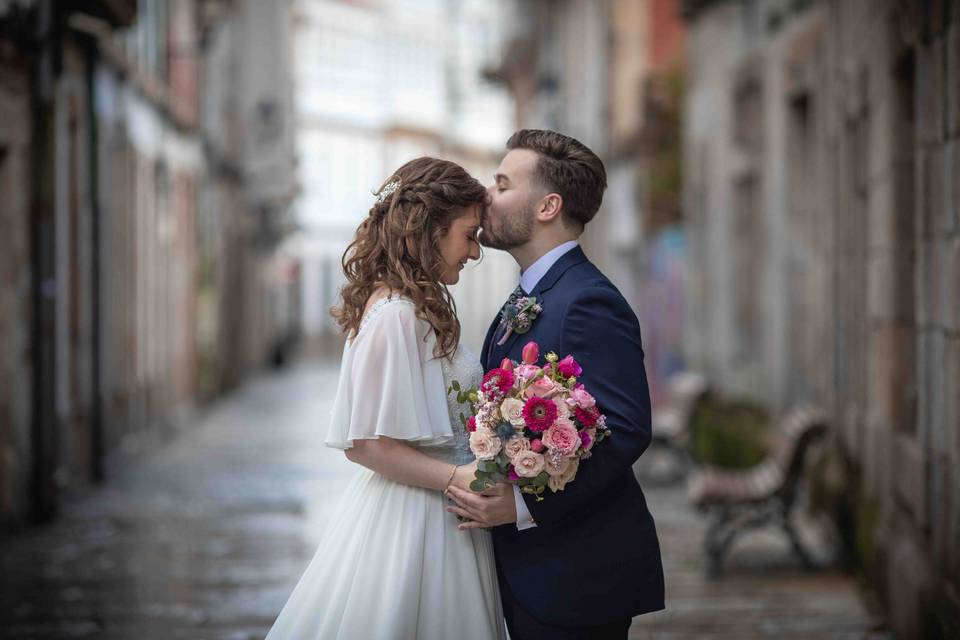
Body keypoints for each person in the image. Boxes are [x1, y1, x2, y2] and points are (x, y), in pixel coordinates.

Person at [265, 157, 506, 639]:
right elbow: (367, 445)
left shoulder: (411, 307)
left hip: (443, 514)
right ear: (431, 230)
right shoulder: (396, 314)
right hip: (414, 522)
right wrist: (459, 476)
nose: (474, 251)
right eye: (469, 234)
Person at [445, 129, 665, 640]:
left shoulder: (587, 300)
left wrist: (523, 505)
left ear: (547, 206)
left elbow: (626, 427)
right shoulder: (531, 293)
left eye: (502, 184)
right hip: (533, 572)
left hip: (577, 577)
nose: (485, 197)